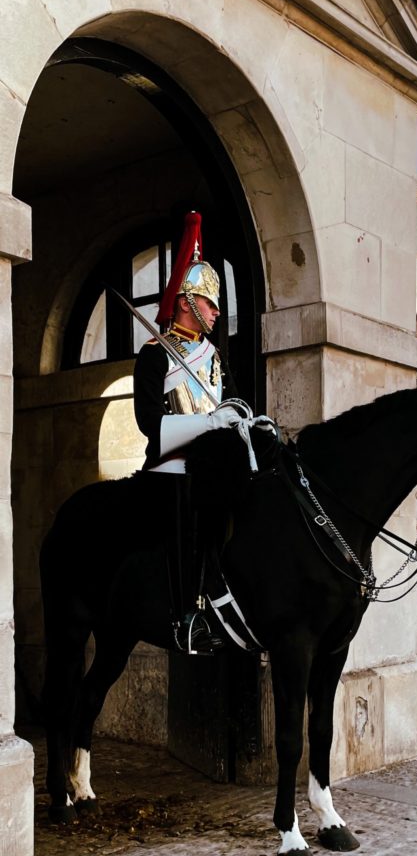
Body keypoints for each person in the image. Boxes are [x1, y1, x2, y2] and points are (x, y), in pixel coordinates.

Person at [133, 211, 242, 654]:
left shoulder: (214, 357)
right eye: (210, 303)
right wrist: (207, 424)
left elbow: (233, 401)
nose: (217, 312)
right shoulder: (154, 353)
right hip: (171, 464)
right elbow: (147, 421)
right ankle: (183, 615)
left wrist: (239, 417)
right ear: (186, 302)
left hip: (213, 463)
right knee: (183, 502)